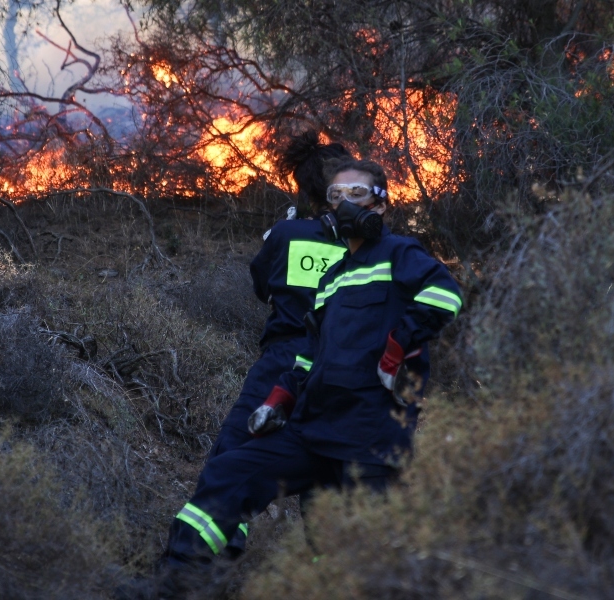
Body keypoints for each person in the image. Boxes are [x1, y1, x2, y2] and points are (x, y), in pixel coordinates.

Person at [160, 158, 462, 592]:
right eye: (335, 197)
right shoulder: (332, 278)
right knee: (228, 475)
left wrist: (400, 344)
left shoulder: (399, 252)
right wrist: (280, 396)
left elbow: (445, 294)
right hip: (311, 428)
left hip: (369, 436)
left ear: (380, 205)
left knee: (360, 557)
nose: (343, 205)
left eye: (356, 195)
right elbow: (311, 354)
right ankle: (174, 584)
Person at [195, 131, 351, 558]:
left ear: (306, 190)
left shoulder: (285, 235)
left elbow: (262, 287)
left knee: (233, 456)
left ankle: (209, 563)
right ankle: (335, 573)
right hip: (342, 368)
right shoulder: (368, 245)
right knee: (327, 479)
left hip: (284, 360)